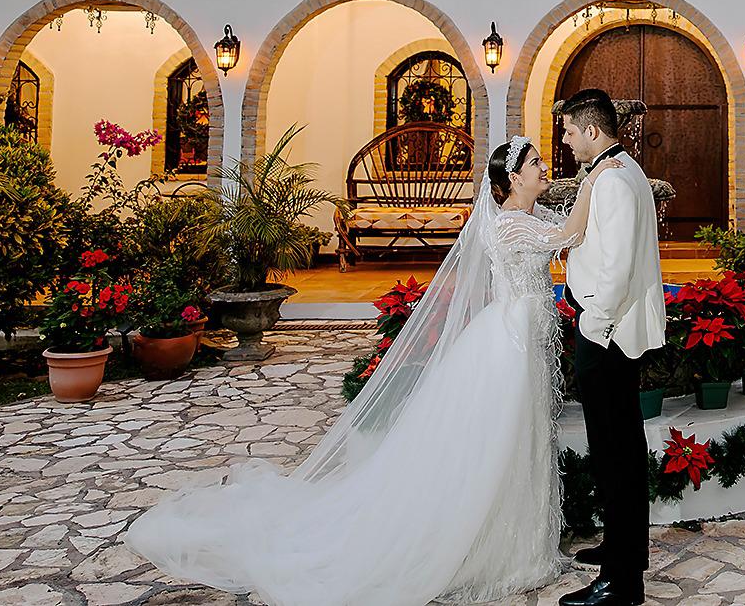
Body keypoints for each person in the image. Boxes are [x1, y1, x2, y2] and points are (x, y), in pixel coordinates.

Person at [125, 136, 622, 606]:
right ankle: (491, 547)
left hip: (527, 337)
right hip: (509, 343)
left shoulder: (531, 212)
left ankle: (524, 542)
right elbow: (571, 234)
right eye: (535, 163)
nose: (544, 168)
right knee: (503, 439)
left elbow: (572, 224)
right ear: (513, 177)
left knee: (526, 435)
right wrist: (598, 174)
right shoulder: (512, 223)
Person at [557, 89, 666, 606]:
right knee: (614, 451)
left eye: (570, 131)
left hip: (608, 336)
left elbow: (618, 271)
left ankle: (624, 583)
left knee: (617, 456)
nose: (565, 138)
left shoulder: (616, 182)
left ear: (592, 131)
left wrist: (592, 329)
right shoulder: (617, 171)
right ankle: (620, 550)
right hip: (610, 331)